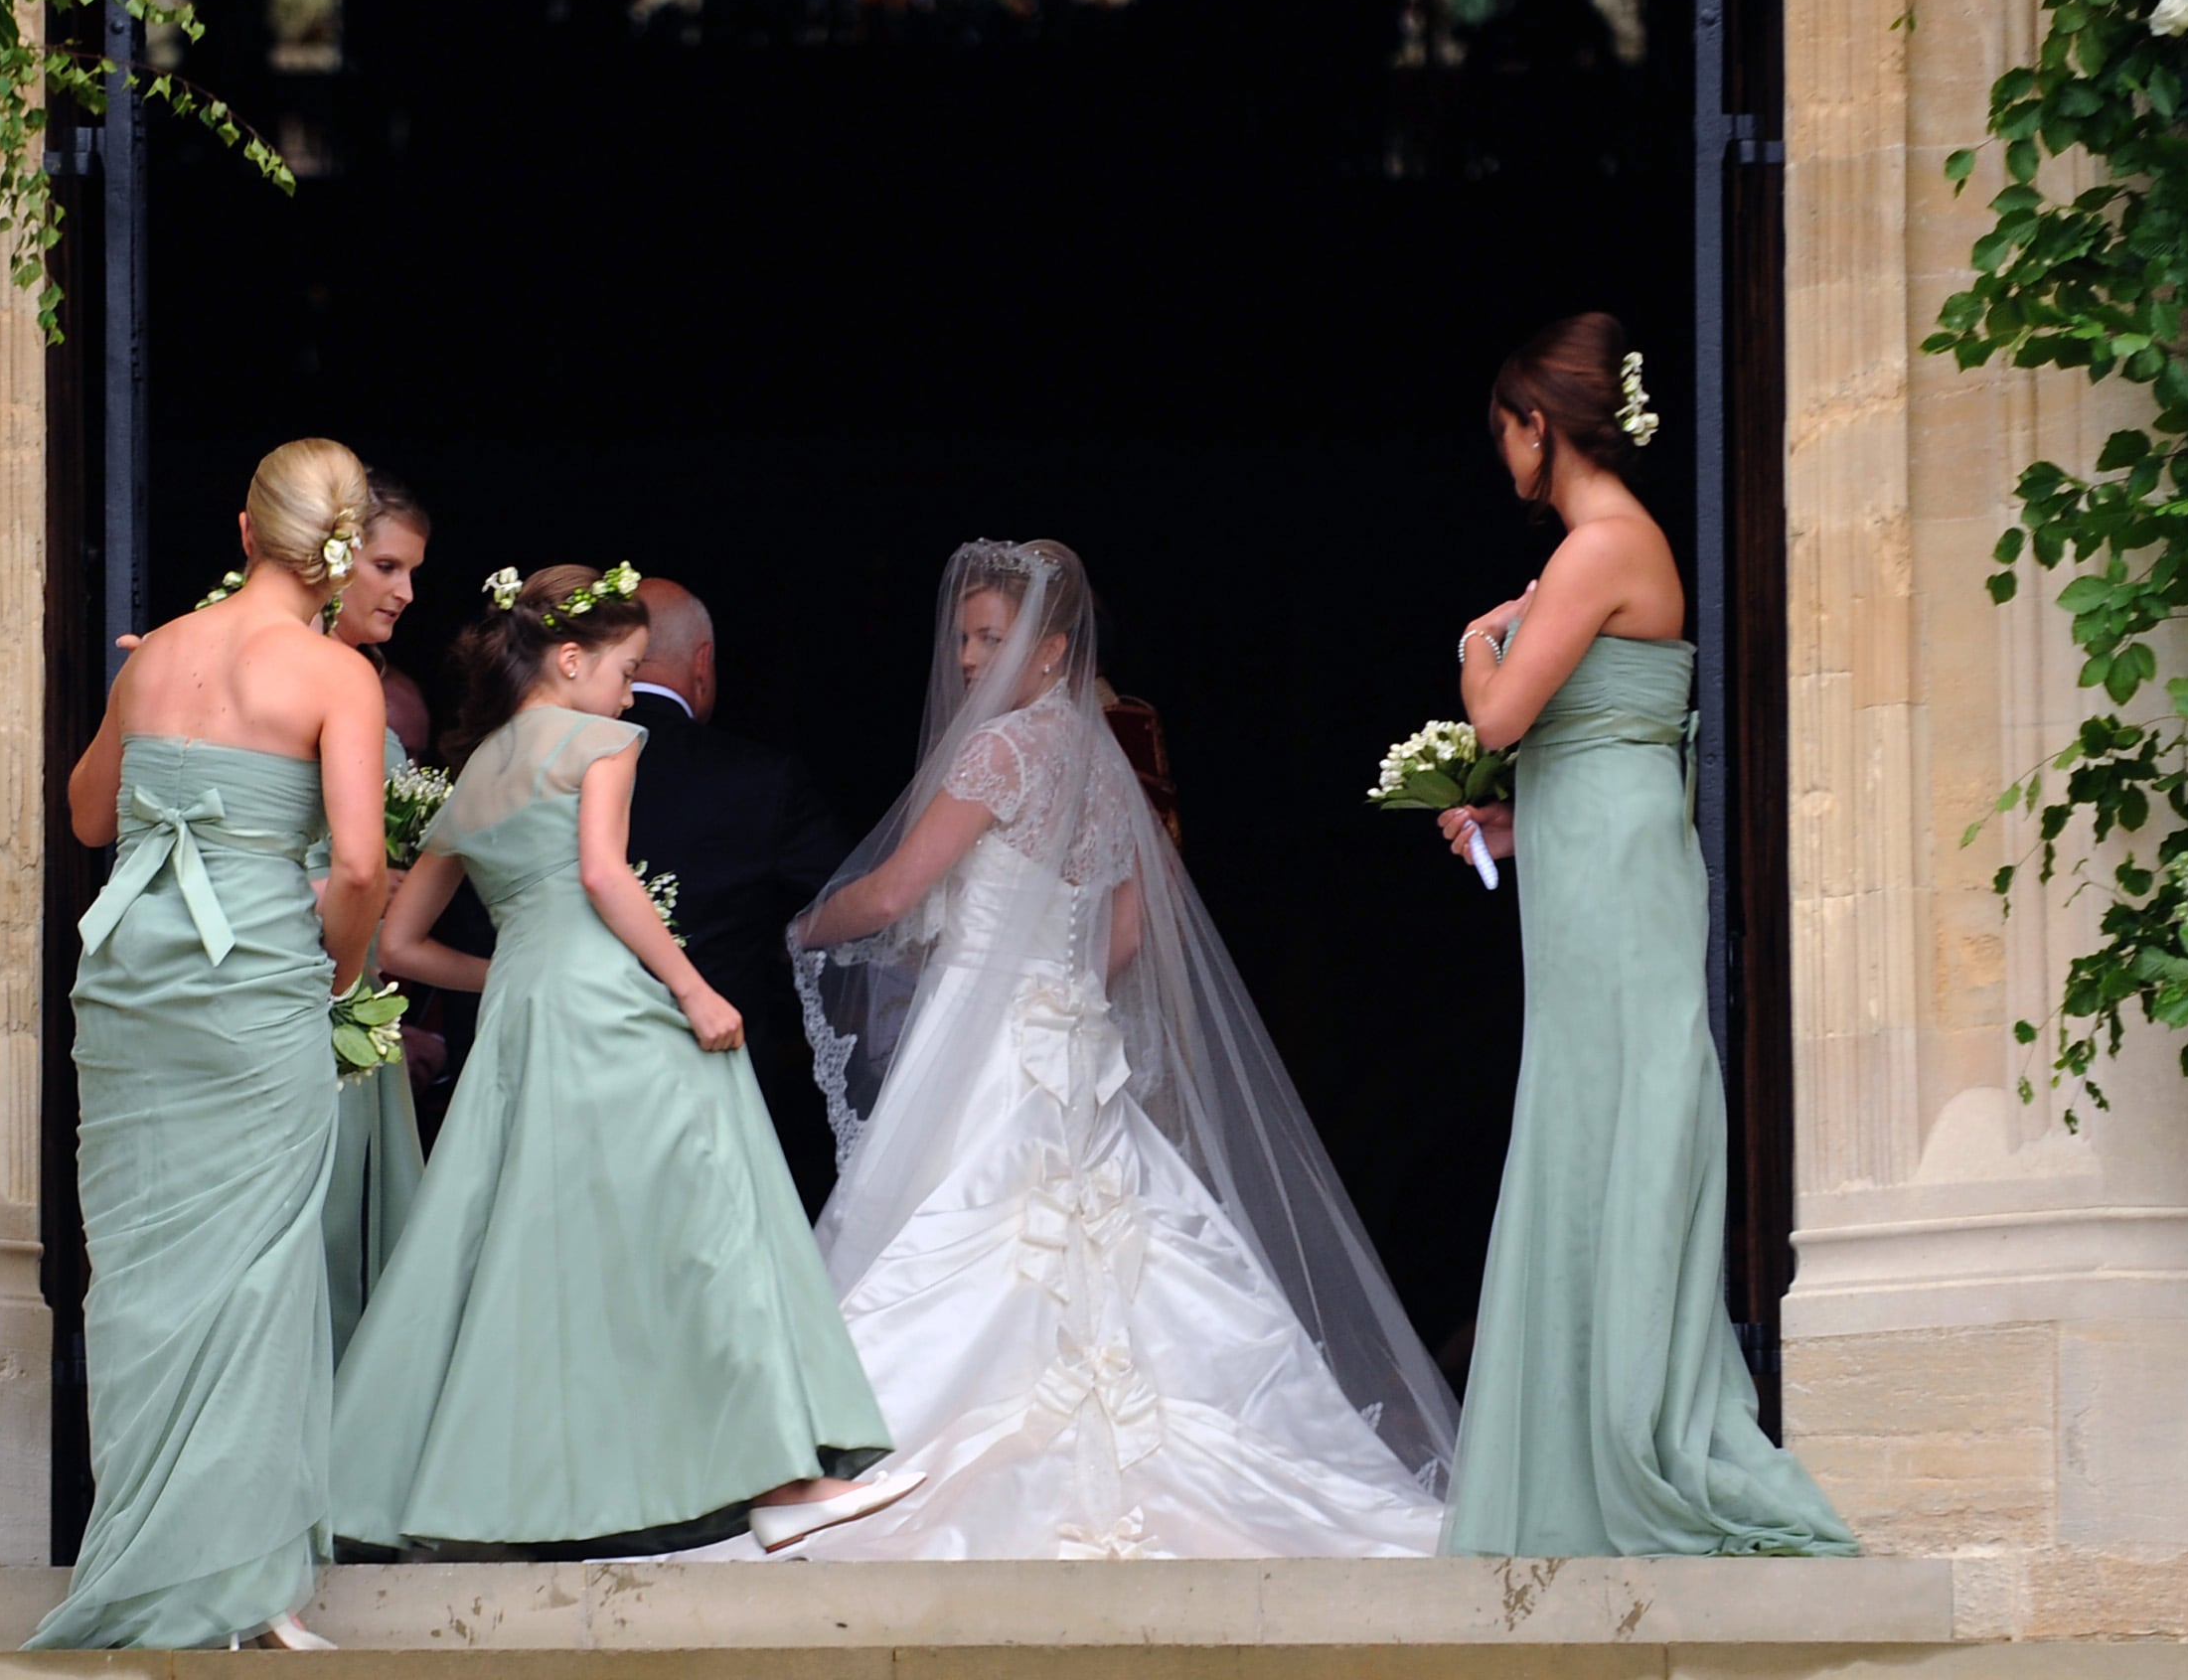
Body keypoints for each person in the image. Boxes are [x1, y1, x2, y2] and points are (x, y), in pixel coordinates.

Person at [786, 539, 1455, 1559]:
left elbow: (891, 892)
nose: (967, 659)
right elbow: (1131, 933)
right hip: (1072, 1038)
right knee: (1113, 1244)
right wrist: (1058, 984)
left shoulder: (996, 753)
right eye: (964, 638)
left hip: (985, 1040)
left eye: (990, 638)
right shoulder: (1104, 760)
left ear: (1052, 649)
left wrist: (803, 928)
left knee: (964, 1232)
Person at [342, 564, 917, 1559]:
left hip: (527, 1019)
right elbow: (606, 874)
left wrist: (515, 970)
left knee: (514, 1245)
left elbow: (396, 945)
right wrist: (692, 987)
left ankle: (452, 1493)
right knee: (709, 1211)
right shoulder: (601, 740)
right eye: (618, 669)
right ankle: (784, 1474)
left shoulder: (474, 770)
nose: (625, 692)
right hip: (611, 1006)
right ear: (569, 660)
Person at [1431, 314, 1853, 1559]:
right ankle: (1577, 1433)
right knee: (1587, 1106)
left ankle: (1625, 1433)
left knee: (1614, 1106)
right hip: (1593, 850)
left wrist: (1472, 647)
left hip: (1613, 868)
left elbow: (1504, 712)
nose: (1500, 454)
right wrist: (1512, 835)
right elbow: (1593, 740)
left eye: (1504, 430)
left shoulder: (1598, 546)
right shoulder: (1605, 547)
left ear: (1537, 425)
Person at [31, 440, 391, 1651]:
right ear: (338, 551)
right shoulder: (338, 675)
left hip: (133, 979)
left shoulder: (161, 654)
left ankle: (151, 1561)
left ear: (245, 530)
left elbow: (89, 813)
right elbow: (355, 865)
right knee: (261, 1266)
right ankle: (247, 1583)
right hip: (252, 982)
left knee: (137, 1266)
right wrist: (333, 974)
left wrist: (139, 700)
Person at [618, 576, 859, 1213]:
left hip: (569, 1053)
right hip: (717, 1062)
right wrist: (785, 942)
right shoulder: (760, 777)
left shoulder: (542, 764)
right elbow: (846, 898)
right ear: (703, 663)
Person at [316, 477, 434, 1353]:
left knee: (354, 1218)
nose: (403, 592)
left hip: (359, 981)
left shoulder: (358, 675)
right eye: (386, 566)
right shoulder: (297, 671)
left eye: (410, 571)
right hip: (312, 971)